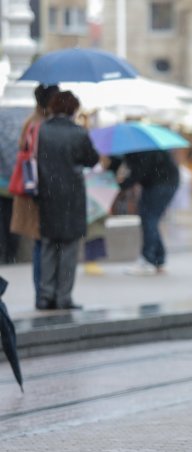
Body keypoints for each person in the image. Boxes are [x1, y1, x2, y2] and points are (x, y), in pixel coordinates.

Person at [35, 91, 99, 310]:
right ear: (73, 109)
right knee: (69, 248)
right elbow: (92, 159)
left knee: (48, 246)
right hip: (72, 195)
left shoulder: (42, 130)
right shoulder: (79, 133)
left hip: (47, 194)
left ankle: (45, 295)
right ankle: (64, 297)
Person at [9, 85, 60, 302]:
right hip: (40, 190)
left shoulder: (31, 121)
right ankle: (44, 292)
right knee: (43, 242)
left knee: (42, 242)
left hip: (33, 189)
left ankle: (44, 291)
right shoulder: (40, 124)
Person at [117, 148, 180, 275]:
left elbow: (140, 171)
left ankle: (148, 260)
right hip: (163, 182)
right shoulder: (142, 146)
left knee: (149, 219)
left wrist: (122, 185)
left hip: (160, 184)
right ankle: (158, 259)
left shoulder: (141, 148)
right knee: (150, 220)